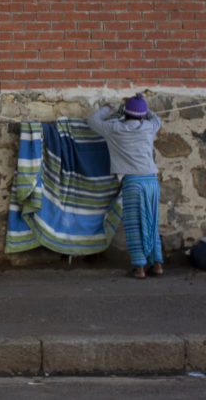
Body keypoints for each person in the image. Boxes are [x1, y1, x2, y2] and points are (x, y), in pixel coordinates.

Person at [86, 93, 163, 279]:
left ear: (125, 113)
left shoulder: (114, 128)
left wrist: (108, 108)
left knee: (134, 225)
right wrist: (140, 105)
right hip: (152, 181)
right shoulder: (148, 127)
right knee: (152, 223)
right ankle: (158, 264)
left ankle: (139, 268)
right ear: (142, 115)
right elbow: (156, 118)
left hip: (133, 183)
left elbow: (92, 120)